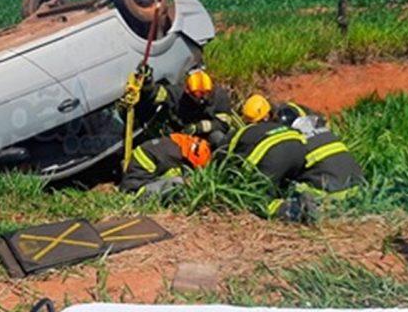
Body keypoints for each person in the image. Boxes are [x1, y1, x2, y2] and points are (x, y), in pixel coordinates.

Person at [228, 95, 364, 222]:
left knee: (272, 196)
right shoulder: (324, 133)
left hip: (327, 191)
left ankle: (296, 210)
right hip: (357, 189)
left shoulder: (296, 142)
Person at [137, 67, 240, 147]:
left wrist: (199, 127)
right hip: (181, 135)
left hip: (207, 135)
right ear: (187, 91)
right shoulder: (178, 93)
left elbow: (224, 124)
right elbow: (160, 94)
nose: (202, 99)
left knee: (217, 137)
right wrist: (148, 85)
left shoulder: (220, 97)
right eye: (198, 95)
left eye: (206, 94)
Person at [120, 132, 211, 196]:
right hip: (136, 192)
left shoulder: (172, 144)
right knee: (180, 183)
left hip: (132, 183)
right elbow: (173, 178)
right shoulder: (173, 158)